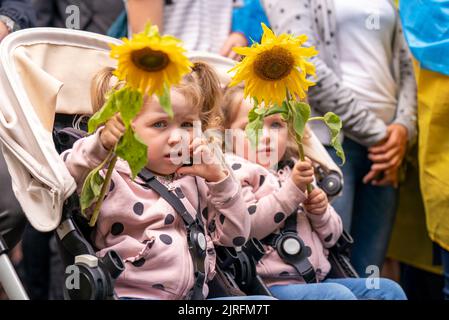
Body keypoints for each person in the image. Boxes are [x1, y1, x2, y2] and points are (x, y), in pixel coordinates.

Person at [62, 62, 273, 300]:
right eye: (159, 124)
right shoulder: (112, 173)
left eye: (186, 125)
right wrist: (101, 144)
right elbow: (67, 180)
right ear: (126, 127)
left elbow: (236, 236)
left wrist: (220, 180)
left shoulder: (199, 177)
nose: (176, 137)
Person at [261, 0, 417, 276]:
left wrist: (404, 128)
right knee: (331, 271)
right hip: (331, 144)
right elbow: (305, 66)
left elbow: (406, 65)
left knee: (369, 275)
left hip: (386, 149)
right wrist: (379, 135)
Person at [220, 86, 407, 300]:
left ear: (290, 131)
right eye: (250, 127)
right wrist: (292, 191)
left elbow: (333, 238)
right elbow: (247, 226)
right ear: (226, 133)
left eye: (276, 125)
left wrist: (320, 213)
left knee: (388, 290)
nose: (265, 137)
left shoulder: (294, 168)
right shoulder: (236, 171)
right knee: (337, 295)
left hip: (317, 280)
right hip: (270, 285)